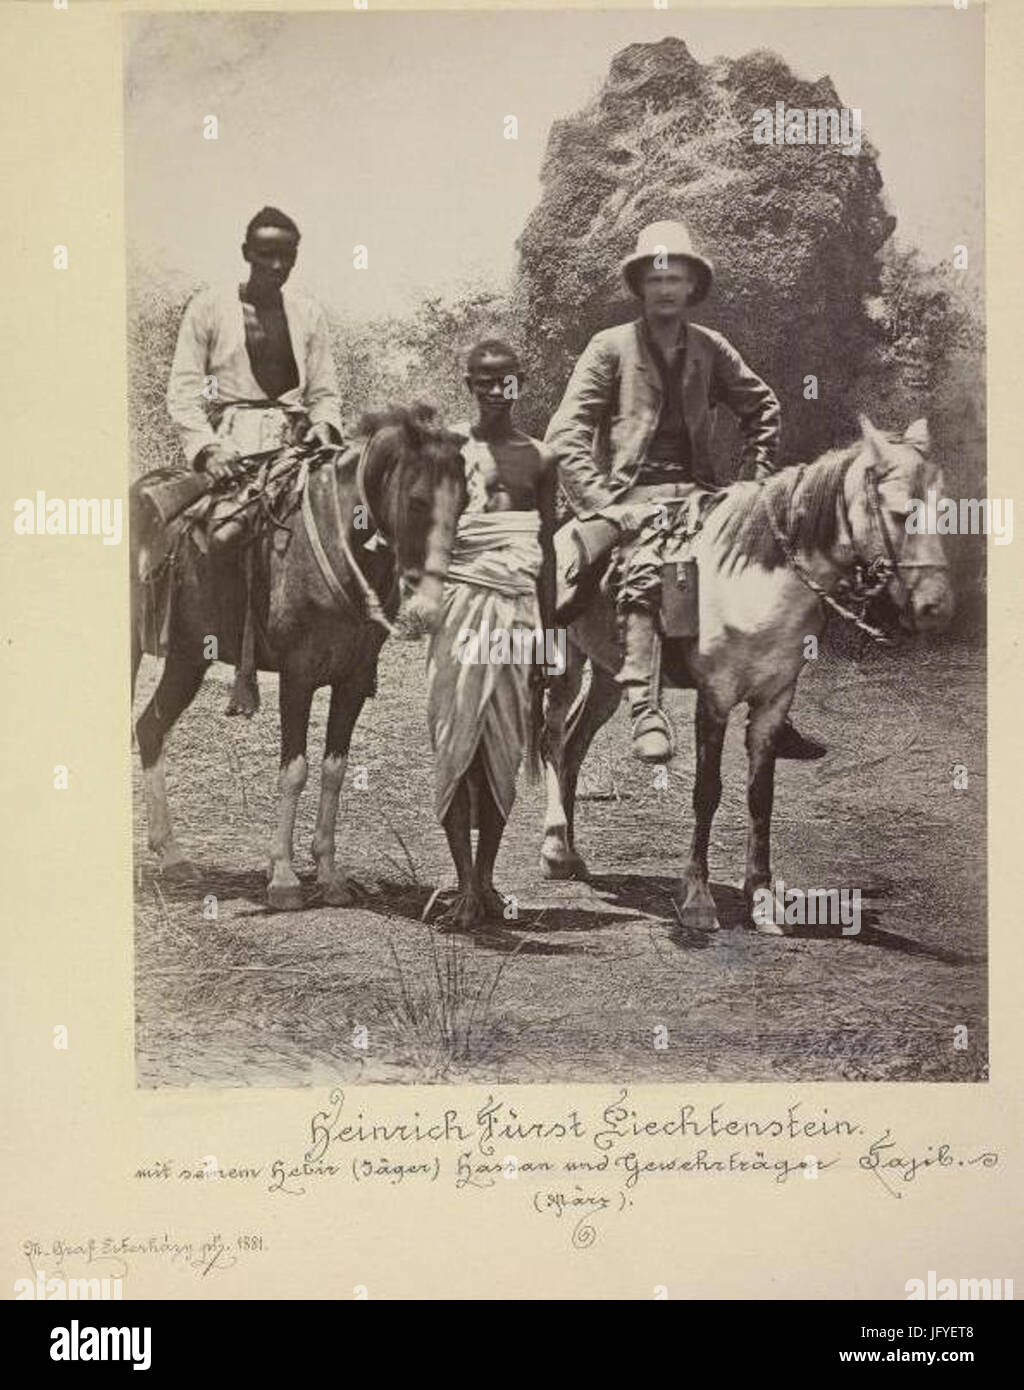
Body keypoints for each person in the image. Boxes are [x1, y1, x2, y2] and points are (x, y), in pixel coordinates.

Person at [545, 219, 826, 764]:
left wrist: (753, 484)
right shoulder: (609, 349)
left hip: (704, 498)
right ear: (640, 287)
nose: (666, 287)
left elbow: (762, 407)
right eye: (655, 277)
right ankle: (645, 710)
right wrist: (605, 504)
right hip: (630, 496)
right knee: (647, 565)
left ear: (693, 286)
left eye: (676, 277)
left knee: (784, 573)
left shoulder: (711, 349)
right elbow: (566, 433)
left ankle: (773, 707)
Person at [425, 339, 558, 930]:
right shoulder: (449, 451)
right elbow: (432, 535)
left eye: (504, 380)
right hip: (460, 605)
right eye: (483, 381)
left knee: (502, 749)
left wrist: (549, 641)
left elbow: (548, 552)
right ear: (470, 386)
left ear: (520, 384)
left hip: (519, 612)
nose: (494, 390)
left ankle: (484, 880)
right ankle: (462, 884)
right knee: (458, 741)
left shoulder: (541, 458)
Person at [166, 205, 343, 482]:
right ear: (246, 252)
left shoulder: (308, 313)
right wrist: (209, 449)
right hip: (231, 454)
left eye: (286, 256)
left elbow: (323, 394)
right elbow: (184, 394)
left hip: (297, 454)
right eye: (266, 255)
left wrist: (323, 424)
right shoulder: (209, 308)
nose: (276, 265)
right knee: (207, 521)